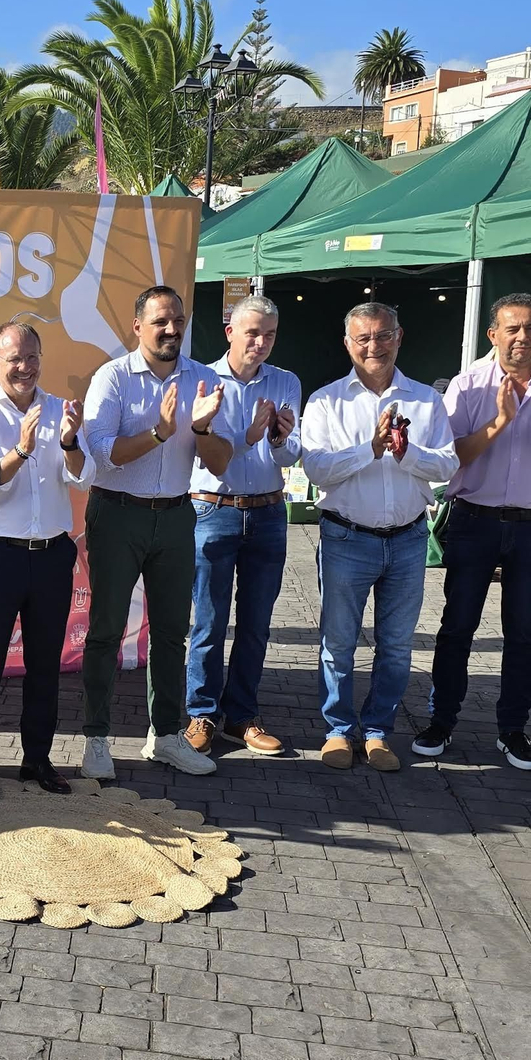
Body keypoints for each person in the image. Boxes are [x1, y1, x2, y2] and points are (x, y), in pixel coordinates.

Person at [421, 293, 531, 770]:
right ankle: (441, 721)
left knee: (523, 632)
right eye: (512, 329)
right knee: (457, 628)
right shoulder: (468, 384)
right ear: (492, 334)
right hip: (474, 520)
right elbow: (446, 459)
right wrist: (498, 422)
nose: (522, 338)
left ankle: (513, 730)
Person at [78, 285, 231, 780]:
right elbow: (103, 455)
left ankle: (165, 736)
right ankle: (96, 739)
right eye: (161, 321)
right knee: (105, 631)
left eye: (178, 321)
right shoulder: (114, 377)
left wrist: (202, 430)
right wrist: (160, 433)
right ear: (136, 326)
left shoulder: (203, 379)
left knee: (170, 632)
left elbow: (222, 463)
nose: (171, 329)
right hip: (117, 513)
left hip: (177, 515)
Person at [300, 303, 458, 772]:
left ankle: (377, 731)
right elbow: (316, 469)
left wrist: (407, 455)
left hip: (408, 539)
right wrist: (369, 450)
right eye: (363, 338)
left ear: (399, 336)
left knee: (396, 646)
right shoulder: (327, 401)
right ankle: (337, 730)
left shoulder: (426, 401)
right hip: (347, 538)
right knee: (339, 641)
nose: (374, 346)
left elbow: (447, 465)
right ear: (348, 343)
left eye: (383, 335)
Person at [0, 322, 88, 801]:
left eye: (32, 357)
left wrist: (70, 443)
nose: (24, 367)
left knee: (44, 667)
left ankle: (37, 760)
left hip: (51, 556)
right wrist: (20, 451)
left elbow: (83, 475)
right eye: (14, 358)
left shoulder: (60, 411)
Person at [184, 296, 299, 758]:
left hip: (269, 510)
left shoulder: (286, 381)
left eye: (269, 334)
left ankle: (243, 716)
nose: (260, 343)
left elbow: (292, 458)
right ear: (229, 330)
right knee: (208, 622)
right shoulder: (203, 379)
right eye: (252, 332)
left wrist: (280, 438)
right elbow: (199, 454)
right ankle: (202, 714)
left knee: (256, 624)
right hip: (214, 509)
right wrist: (249, 436)